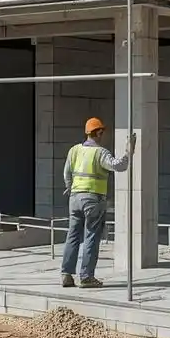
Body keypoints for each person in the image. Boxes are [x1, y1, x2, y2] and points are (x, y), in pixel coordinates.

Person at [60, 117, 135, 288]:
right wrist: (128, 153)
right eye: (102, 132)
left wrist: (70, 187)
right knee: (91, 237)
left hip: (75, 198)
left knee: (72, 235)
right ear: (99, 132)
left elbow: (67, 173)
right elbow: (118, 166)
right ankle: (86, 277)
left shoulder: (74, 150)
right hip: (93, 200)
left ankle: (66, 274)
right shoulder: (101, 153)